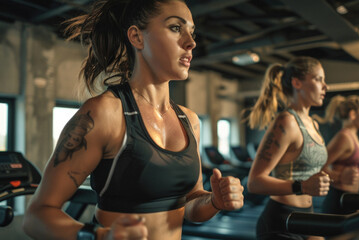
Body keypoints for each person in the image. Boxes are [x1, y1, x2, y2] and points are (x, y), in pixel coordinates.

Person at [22, 1, 244, 239]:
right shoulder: (104, 114)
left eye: (192, 31)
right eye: (176, 28)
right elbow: (37, 215)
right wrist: (99, 236)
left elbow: (190, 203)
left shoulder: (189, 120)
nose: (191, 42)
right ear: (137, 37)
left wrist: (213, 201)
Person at [245, 56, 331, 240]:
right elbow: (254, 182)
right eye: (318, 79)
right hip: (280, 221)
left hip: (307, 215)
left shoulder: (313, 124)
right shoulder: (287, 122)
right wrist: (303, 186)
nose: (326, 86)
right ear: (297, 82)